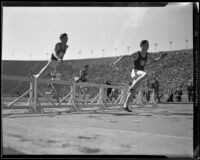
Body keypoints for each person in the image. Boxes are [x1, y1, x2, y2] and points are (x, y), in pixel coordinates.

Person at [114, 40, 167, 112]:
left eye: (148, 45)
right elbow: (126, 56)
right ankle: (132, 87)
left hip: (139, 75)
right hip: (135, 72)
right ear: (141, 45)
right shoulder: (137, 54)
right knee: (145, 74)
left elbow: (154, 61)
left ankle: (125, 106)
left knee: (133, 91)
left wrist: (160, 57)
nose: (148, 46)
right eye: (146, 45)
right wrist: (117, 61)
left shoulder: (147, 55)